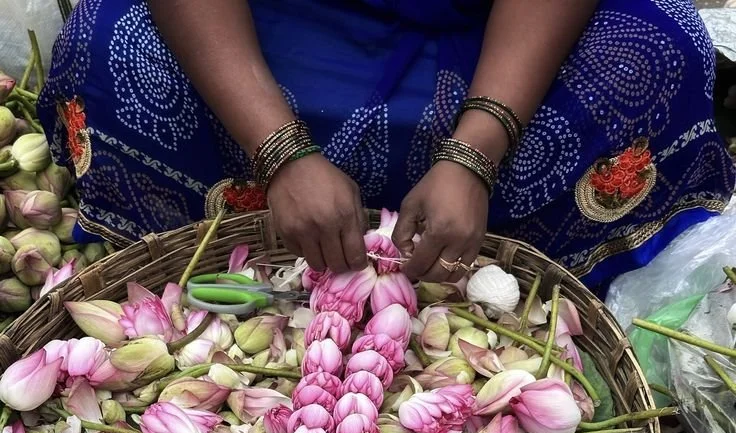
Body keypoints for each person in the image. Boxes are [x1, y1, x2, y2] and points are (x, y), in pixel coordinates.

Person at [38, 0, 734, 291]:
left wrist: (476, 150)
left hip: (486, 32)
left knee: (663, 49)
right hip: (281, 28)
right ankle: (234, 248)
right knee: (109, 49)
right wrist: (279, 149)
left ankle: (512, 262)